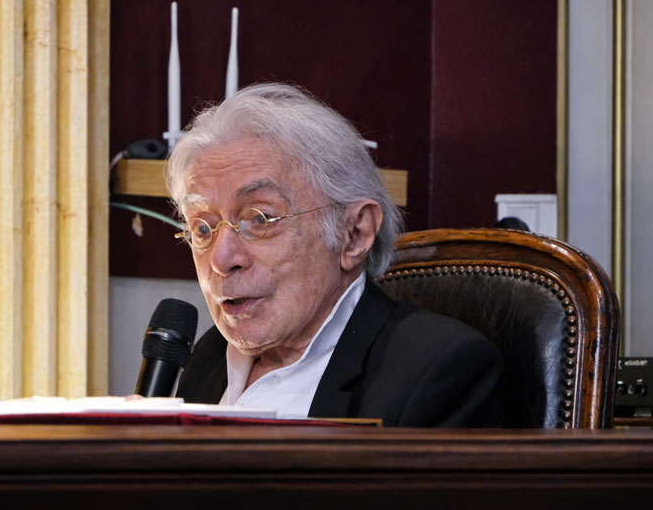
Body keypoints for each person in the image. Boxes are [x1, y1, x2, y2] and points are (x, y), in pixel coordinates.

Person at [167, 83, 503, 427]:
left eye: (260, 219)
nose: (221, 260)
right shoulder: (208, 357)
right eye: (202, 229)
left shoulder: (438, 370)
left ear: (354, 234)